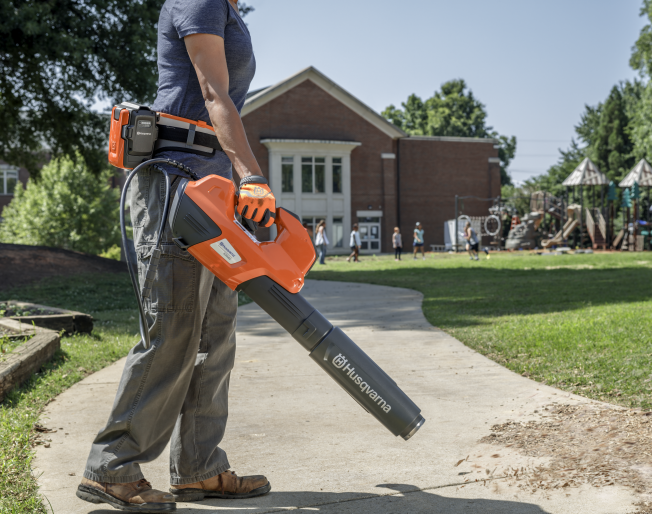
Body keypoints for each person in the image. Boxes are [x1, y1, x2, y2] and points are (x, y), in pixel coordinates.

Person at [77, 1, 273, 512]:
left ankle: (199, 468)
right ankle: (111, 466)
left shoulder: (227, 8)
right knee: (175, 328)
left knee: (216, 333)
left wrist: (236, 182)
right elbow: (212, 92)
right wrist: (251, 175)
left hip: (210, 189)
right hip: (176, 183)